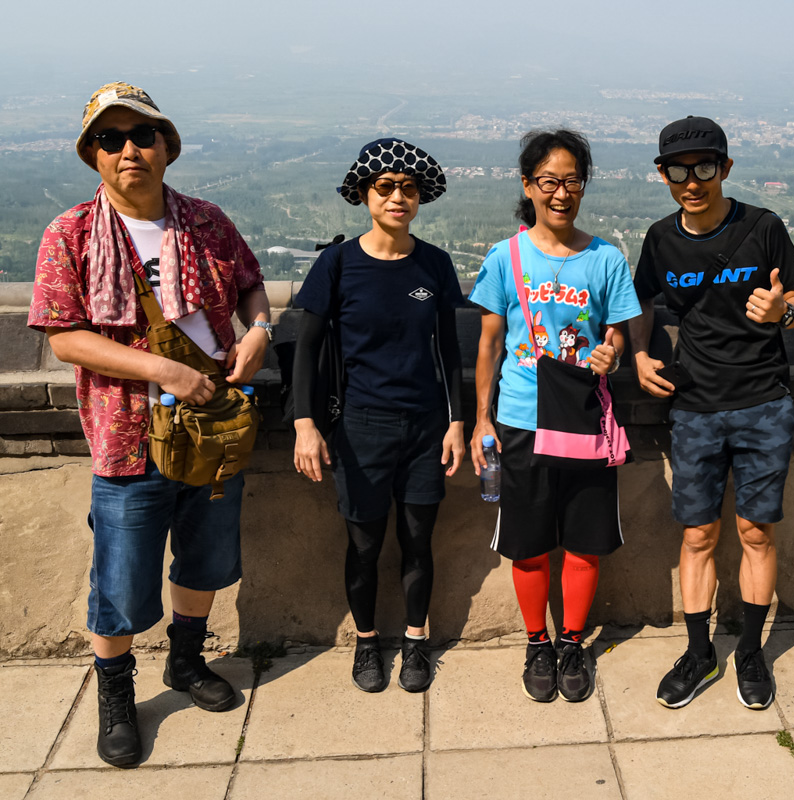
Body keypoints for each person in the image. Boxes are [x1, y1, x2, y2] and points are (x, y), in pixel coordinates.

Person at [27, 82, 271, 766]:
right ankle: (115, 697)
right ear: (92, 154)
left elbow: (251, 282)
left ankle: (186, 664)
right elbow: (66, 337)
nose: (129, 149)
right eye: (111, 138)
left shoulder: (207, 222)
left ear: (166, 147)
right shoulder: (71, 234)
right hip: (128, 439)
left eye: (142, 136)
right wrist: (163, 371)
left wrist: (260, 330)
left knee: (206, 559)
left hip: (216, 426)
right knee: (122, 582)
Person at [629, 116, 794, 711]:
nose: (692, 180)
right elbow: (642, 301)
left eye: (705, 167)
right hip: (696, 408)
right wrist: (636, 354)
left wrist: (782, 310)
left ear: (725, 168)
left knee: (756, 531)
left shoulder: (762, 227)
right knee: (698, 533)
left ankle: (752, 650)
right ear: (663, 175)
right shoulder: (660, 239)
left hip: (763, 403)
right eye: (679, 170)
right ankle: (700, 651)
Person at [469, 130, 641, 703]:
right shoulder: (506, 256)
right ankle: (537, 642)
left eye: (572, 181)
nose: (561, 192)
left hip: (585, 417)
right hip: (520, 419)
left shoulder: (606, 257)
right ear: (528, 186)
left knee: (586, 541)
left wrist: (611, 349)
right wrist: (481, 421)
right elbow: (489, 345)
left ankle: (572, 641)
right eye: (550, 181)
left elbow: (617, 327)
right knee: (528, 542)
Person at [292, 138, 464, 694]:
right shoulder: (337, 264)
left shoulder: (434, 264)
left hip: (424, 427)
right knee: (363, 546)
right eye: (385, 186)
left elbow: (451, 352)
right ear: (365, 194)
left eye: (408, 189)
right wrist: (304, 423)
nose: (398, 197)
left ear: (420, 199)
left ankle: (416, 641)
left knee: (419, 541)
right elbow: (306, 347)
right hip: (358, 427)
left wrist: (457, 420)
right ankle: (367, 642)